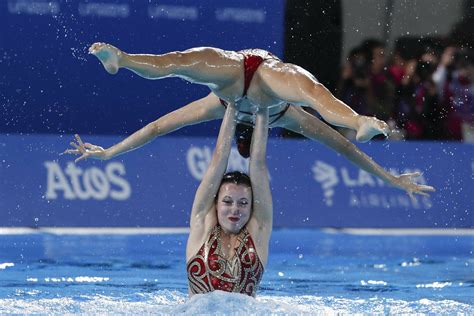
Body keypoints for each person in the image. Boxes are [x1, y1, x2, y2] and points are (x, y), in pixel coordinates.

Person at [65, 43, 434, 199]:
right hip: (261, 72)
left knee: (175, 63)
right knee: (314, 95)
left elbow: (158, 127)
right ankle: (359, 119)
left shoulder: (219, 105)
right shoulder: (284, 117)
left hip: (237, 69)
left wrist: (111, 152)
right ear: (260, 130)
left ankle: (124, 59)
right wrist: (388, 178)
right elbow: (341, 144)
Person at [186, 102, 272, 296]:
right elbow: (218, 158)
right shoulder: (202, 225)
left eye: (243, 203)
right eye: (227, 201)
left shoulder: (259, 231)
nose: (235, 209)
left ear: (252, 208)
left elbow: (258, 163)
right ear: (215, 204)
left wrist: (264, 104)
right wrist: (231, 104)